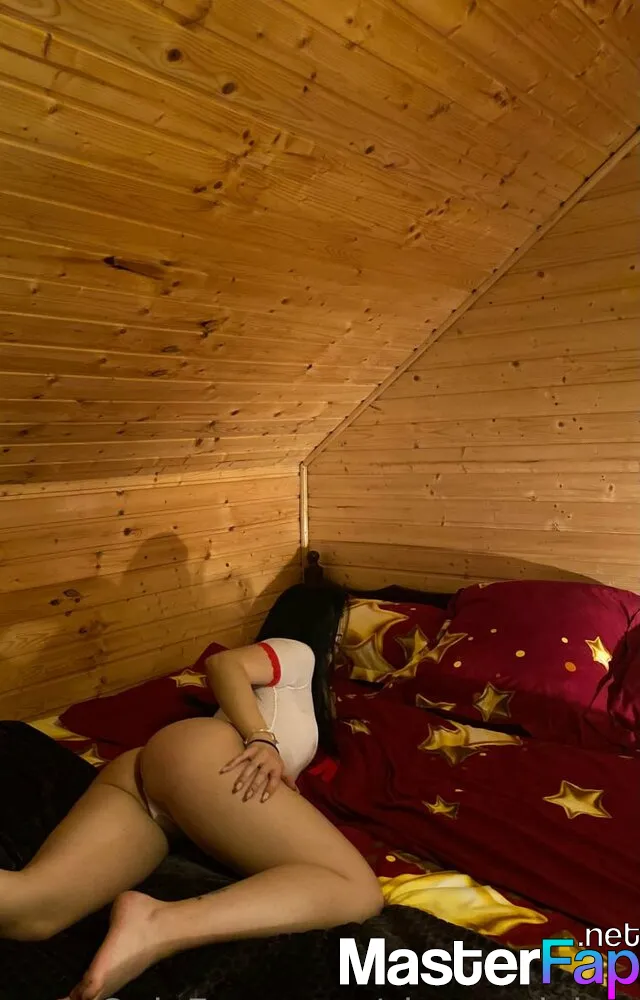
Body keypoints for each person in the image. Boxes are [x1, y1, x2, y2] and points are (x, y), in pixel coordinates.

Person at [0, 583, 383, 1000]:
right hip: (202, 759)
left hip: (152, 779)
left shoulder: (301, 691)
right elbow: (222, 664)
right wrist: (261, 738)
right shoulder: (296, 650)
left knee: (32, 910)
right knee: (355, 890)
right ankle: (160, 924)